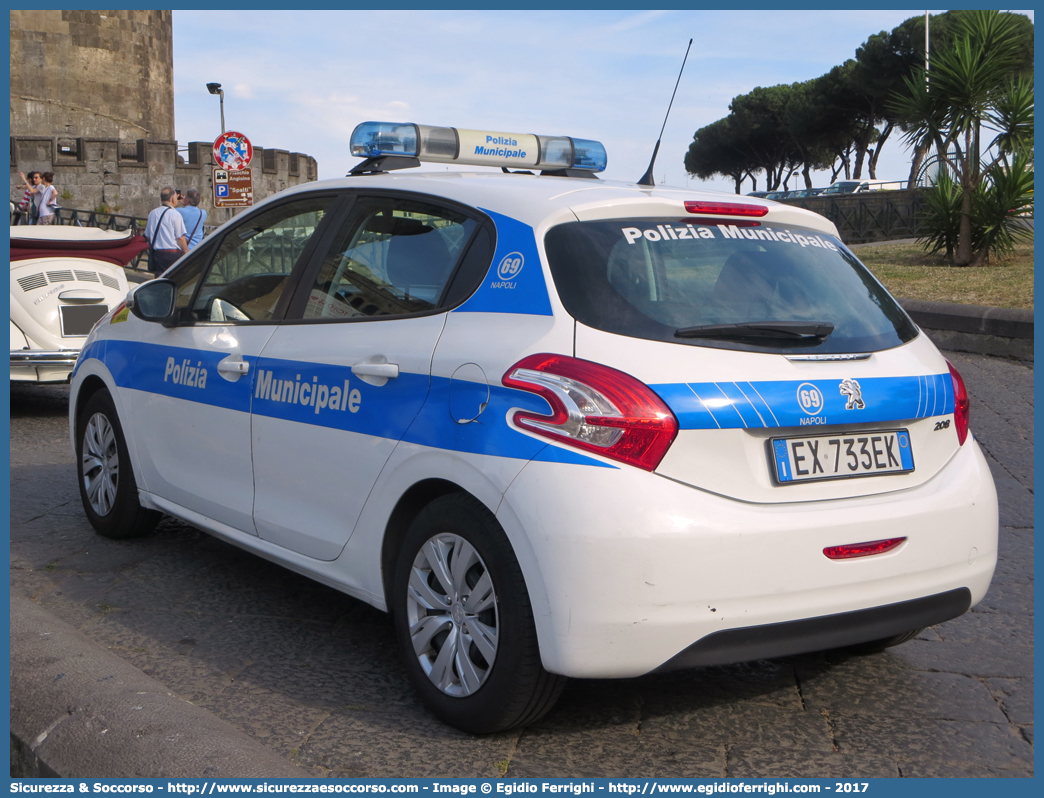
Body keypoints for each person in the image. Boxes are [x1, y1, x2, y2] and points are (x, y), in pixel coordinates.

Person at [144, 186, 188, 274]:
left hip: (157, 254)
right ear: (172, 199)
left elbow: (148, 236)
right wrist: (186, 253)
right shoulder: (175, 214)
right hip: (173, 255)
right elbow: (181, 238)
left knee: (160, 281)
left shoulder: (153, 213)